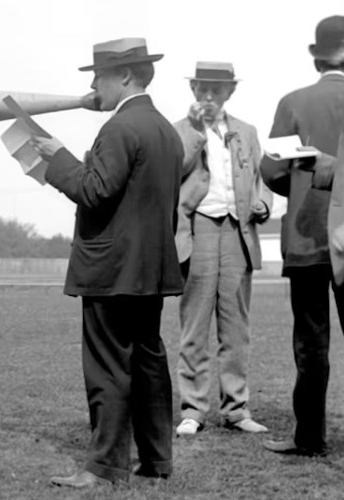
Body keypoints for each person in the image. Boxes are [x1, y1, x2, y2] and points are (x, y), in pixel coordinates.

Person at [30, 37, 184, 488]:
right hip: (151, 271)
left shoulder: (119, 129)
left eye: (98, 76)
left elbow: (95, 191)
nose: (95, 85)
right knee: (149, 366)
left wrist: (57, 160)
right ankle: (156, 461)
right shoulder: (165, 130)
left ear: (125, 76)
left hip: (111, 272)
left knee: (107, 369)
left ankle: (103, 467)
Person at [259, 15, 344, 457]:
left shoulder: (293, 101)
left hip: (307, 237)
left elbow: (272, 169)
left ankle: (309, 437)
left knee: (311, 345)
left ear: (317, 56)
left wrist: (298, 185)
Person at [173, 61, 272, 437]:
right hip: (197, 230)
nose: (209, 97)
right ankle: (193, 410)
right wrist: (197, 131)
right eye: (202, 90)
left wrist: (261, 203)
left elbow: (261, 179)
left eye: (216, 90)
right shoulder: (179, 130)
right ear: (194, 91)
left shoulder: (246, 131)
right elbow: (176, 169)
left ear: (230, 92)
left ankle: (236, 409)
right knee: (195, 325)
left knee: (236, 327)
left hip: (237, 231)